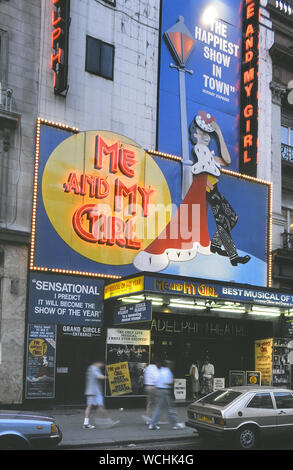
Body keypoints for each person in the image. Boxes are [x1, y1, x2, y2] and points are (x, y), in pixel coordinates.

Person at [149, 360, 185, 430]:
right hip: (164, 391)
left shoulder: (161, 370)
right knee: (170, 408)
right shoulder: (167, 371)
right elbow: (168, 382)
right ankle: (175, 424)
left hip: (158, 390)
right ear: (168, 365)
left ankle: (153, 424)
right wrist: (174, 381)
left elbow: (156, 380)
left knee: (159, 408)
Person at [83, 360, 119, 429]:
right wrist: (109, 377)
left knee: (89, 407)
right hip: (96, 392)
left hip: (90, 391)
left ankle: (86, 423)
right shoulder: (95, 368)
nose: (102, 365)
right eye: (101, 364)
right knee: (101, 407)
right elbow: (99, 376)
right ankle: (109, 421)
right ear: (98, 362)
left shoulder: (90, 368)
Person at [143, 358, 160, 425]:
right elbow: (157, 378)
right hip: (154, 387)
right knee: (156, 404)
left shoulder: (147, 368)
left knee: (149, 404)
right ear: (155, 363)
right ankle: (155, 420)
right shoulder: (155, 368)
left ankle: (148, 419)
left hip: (147, 387)